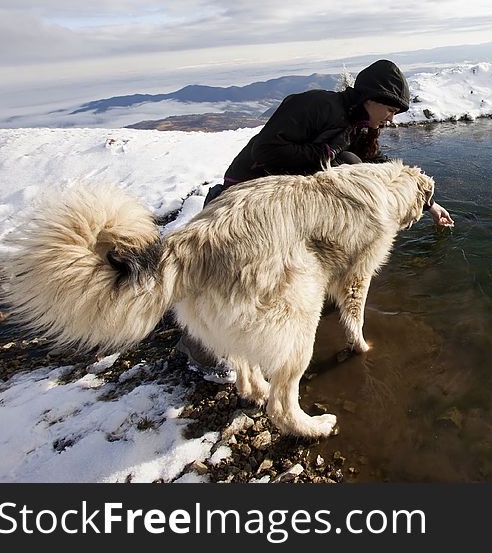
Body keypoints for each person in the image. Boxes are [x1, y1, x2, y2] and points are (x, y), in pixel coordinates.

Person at [176, 59, 454, 382]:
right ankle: (201, 348)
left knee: (348, 164)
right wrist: (321, 155)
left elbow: (375, 168)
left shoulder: (353, 122)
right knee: (243, 276)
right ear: (374, 98)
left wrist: (428, 203)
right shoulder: (319, 107)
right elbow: (265, 151)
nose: (391, 119)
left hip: (285, 205)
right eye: (392, 110)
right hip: (248, 201)